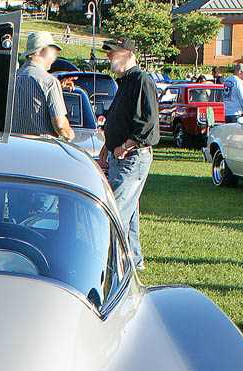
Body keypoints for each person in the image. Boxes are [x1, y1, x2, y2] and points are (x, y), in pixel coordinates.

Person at [96, 38, 158, 271]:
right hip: (121, 155)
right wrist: (109, 144)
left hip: (132, 157)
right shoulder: (125, 81)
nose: (109, 57)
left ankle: (114, 266)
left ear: (130, 54)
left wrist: (125, 146)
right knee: (129, 214)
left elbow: (148, 122)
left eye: (114, 52)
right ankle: (133, 261)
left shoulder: (142, 80)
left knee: (117, 213)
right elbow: (119, 117)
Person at [10, 31, 73, 141]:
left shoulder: (11, 79)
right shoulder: (49, 82)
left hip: (14, 144)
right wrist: (70, 134)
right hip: (42, 146)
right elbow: (60, 125)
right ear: (44, 52)